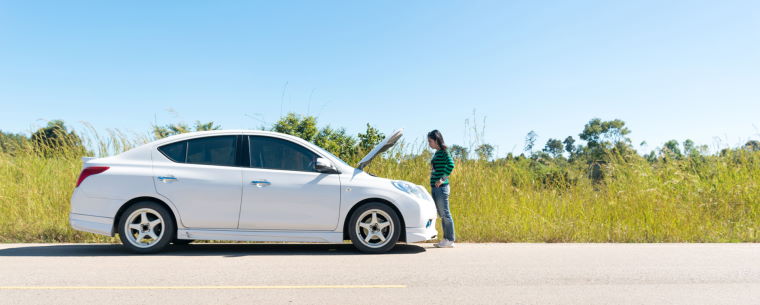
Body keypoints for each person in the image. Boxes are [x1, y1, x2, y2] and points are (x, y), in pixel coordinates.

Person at [427, 130, 456, 248]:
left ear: (436, 140)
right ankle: (446, 239)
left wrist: (442, 179)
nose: (429, 143)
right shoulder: (437, 152)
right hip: (435, 187)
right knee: (441, 214)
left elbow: (451, 165)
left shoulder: (444, 151)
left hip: (442, 187)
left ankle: (449, 239)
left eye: (430, 141)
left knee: (445, 214)